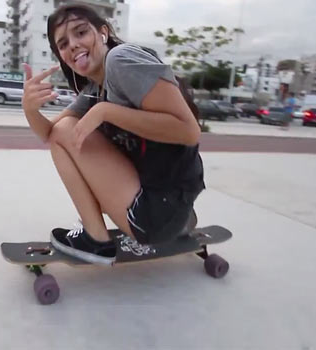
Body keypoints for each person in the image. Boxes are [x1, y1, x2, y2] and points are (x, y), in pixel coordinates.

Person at [21, 4, 204, 265]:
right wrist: (29, 109)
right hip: (171, 206)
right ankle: (180, 220)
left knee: (69, 130)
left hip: (155, 212)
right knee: (65, 131)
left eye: (81, 32)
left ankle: (96, 241)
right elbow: (52, 135)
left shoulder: (120, 60)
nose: (72, 45)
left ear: (103, 32)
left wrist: (107, 112)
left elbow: (188, 132)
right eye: (63, 44)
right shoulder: (96, 89)